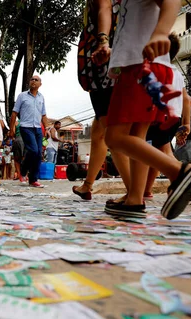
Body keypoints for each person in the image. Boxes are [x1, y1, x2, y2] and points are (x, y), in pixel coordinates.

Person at [102, 0, 191, 219]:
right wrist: (110, 51)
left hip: (140, 67)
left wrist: (161, 33)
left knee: (115, 137)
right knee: (136, 137)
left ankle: (179, 172)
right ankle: (134, 199)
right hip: (147, 65)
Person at [72, 0, 130, 201]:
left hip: (102, 62)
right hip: (116, 59)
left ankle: (135, 190)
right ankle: (87, 185)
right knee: (99, 130)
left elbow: (104, 6)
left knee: (112, 133)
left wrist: (103, 41)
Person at [143, 32, 191, 200]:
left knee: (159, 153)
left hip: (159, 116)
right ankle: (146, 190)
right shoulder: (177, 72)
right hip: (175, 117)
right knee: (159, 152)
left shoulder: (158, 69)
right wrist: (187, 123)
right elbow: (187, 100)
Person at [10, 76, 49, 188]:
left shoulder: (41, 98)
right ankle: (23, 170)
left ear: (40, 84)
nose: (33, 81)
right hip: (25, 126)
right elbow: (14, 113)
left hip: (37, 128)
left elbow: (44, 115)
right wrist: (12, 129)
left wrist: (47, 128)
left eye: (36, 80)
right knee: (33, 150)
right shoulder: (22, 96)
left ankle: (33, 179)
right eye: (32, 79)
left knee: (38, 154)